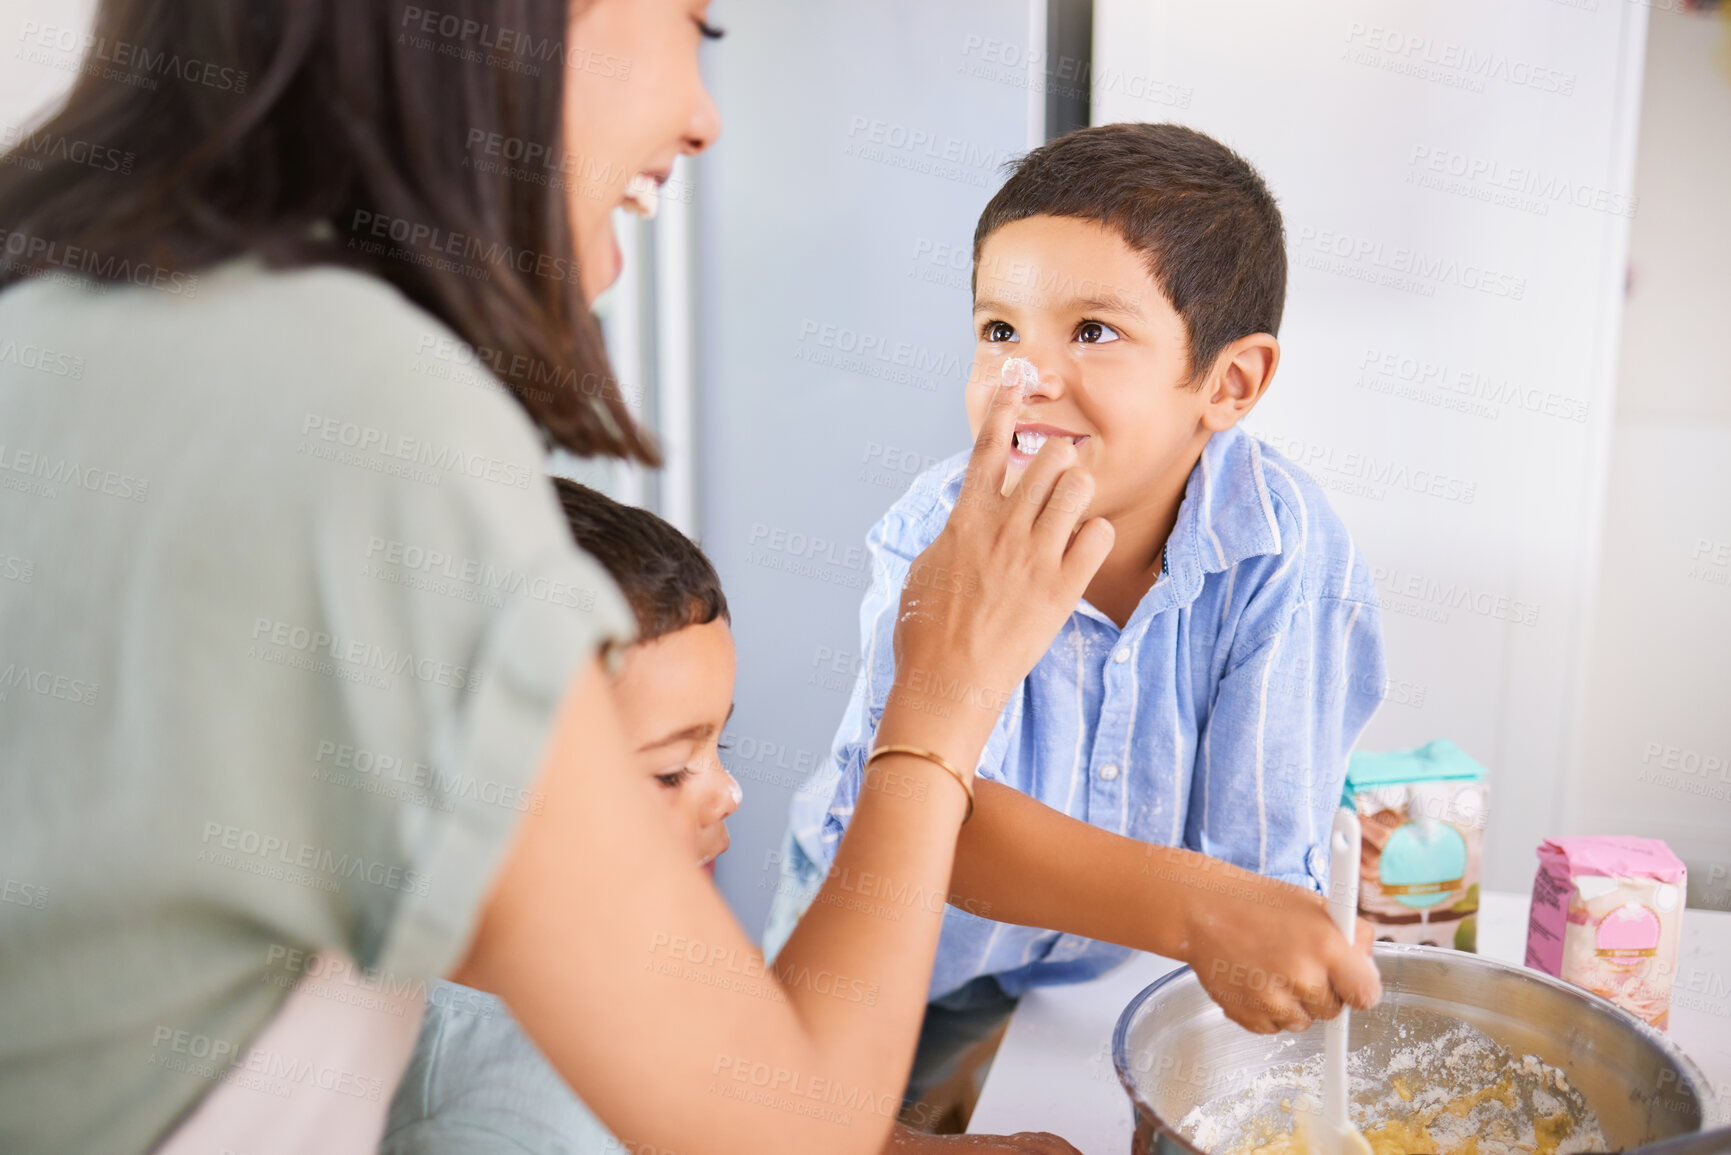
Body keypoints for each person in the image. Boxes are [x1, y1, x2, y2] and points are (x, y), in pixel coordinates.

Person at [0, 2, 1255, 1151]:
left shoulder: (59, 312)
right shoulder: (356, 418)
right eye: (695, 24)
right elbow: (781, 1131)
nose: (704, 116)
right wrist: (945, 689)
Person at [768, 122, 1388, 1105]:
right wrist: (1205, 911)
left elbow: (1253, 866)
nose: (1025, 379)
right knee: (820, 1118)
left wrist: (1249, 919)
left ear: (1228, 384)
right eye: (999, 331)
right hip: (898, 955)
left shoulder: (1285, 548)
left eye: (1092, 332)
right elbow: (928, 826)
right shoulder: (938, 534)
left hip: (1108, 973)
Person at [382, 480, 1080, 1154]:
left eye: (720, 745)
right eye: (668, 771)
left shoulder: (627, 943)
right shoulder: (488, 1125)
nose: (729, 792)